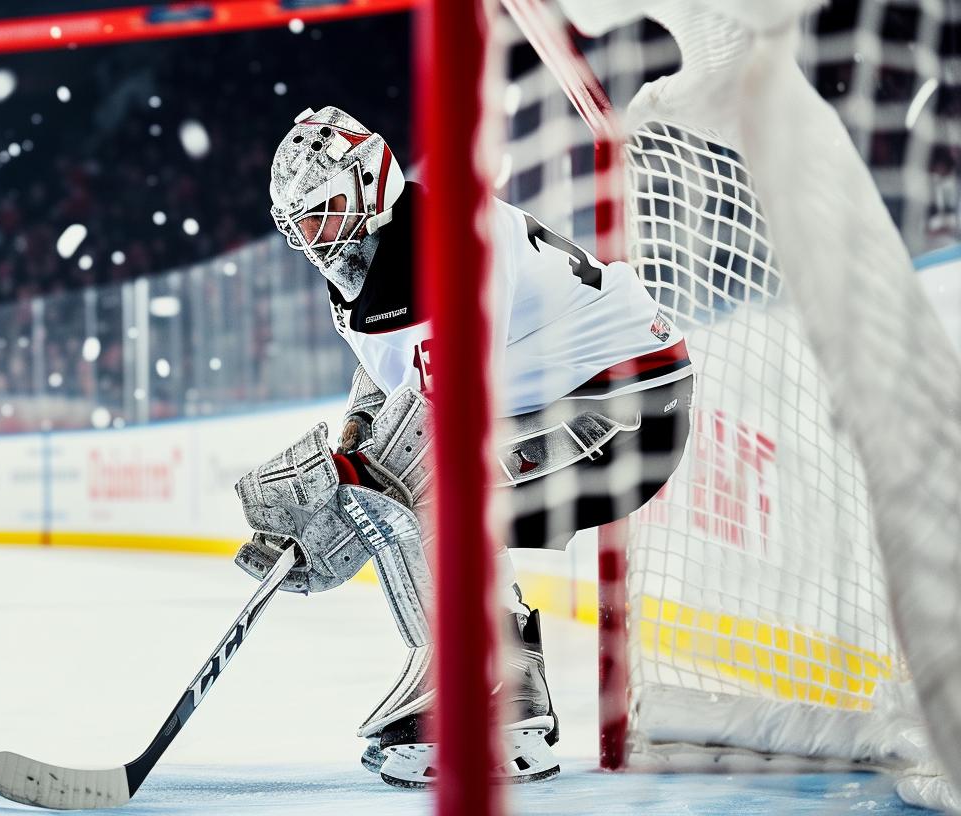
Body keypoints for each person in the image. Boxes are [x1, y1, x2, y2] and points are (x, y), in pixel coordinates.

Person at [232, 107, 694, 788]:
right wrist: (346, 457)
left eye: (323, 213)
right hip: (577, 405)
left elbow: (432, 428)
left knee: (422, 500)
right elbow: (386, 380)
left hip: (630, 410)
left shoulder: (449, 244)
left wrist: (332, 501)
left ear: (369, 184)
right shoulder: (371, 258)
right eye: (298, 223)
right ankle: (510, 692)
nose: (313, 237)